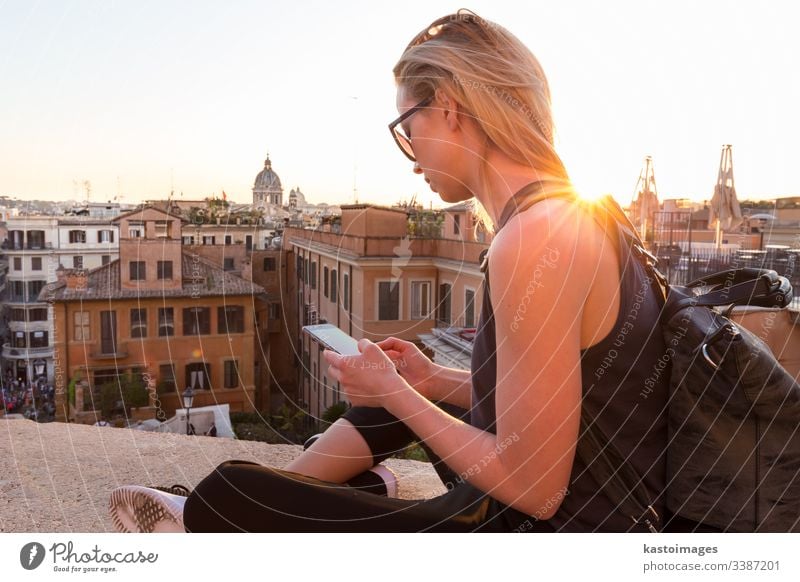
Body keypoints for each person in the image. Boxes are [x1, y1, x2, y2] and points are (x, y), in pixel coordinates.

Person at [109, 8, 668, 533]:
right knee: (393, 397)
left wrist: (401, 396)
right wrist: (423, 383)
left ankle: (208, 521)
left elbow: (536, 488)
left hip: (557, 529)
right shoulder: (574, 214)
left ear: (448, 106)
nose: (409, 151)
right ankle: (339, 488)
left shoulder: (534, 238)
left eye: (407, 125)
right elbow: (560, 400)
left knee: (230, 494)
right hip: (597, 499)